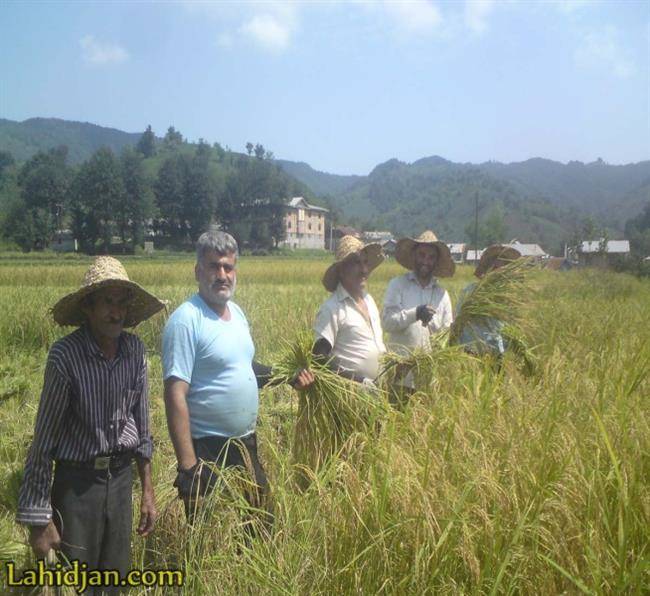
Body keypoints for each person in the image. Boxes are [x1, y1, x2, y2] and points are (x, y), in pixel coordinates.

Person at [17, 256, 165, 585]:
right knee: (74, 581)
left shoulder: (135, 351)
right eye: (107, 303)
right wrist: (40, 519)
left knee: (115, 580)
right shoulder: (65, 357)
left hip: (121, 478)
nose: (116, 313)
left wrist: (148, 493)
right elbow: (43, 442)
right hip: (77, 486)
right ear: (87, 306)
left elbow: (142, 429)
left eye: (122, 303)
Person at [162, 230, 313, 525]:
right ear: (197, 271)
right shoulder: (186, 320)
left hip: (245, 445)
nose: (222, 274)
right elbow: (174, 394)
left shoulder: (237, 314)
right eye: (213, 266)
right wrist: (189, 467)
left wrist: (287, 376)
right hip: (207, 449)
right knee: (210, 537)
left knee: (261, 526)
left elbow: (244, 368)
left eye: (228, 267)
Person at [381, 231, 455, 404]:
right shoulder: (398, 285)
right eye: (421, 255)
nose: (425, 261)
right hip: (399, 376)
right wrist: (415, 313)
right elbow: (387, 323)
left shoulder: (442, 296)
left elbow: (446, 336)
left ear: (436, 261)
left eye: (431, 257)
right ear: (413, 256)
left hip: (428, 380)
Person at [312, 235, 386, 388]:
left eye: (365, 262)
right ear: (341, 269)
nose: (364, 270)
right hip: (350, 395)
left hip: (377, 392)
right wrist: (358, 381)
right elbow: (318, 358)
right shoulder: (332, 308)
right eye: (356, 263)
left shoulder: (369, 300)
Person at [455, 244, 522, 358]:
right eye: (494, 268)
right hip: (471, 353)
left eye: (503, 269)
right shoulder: (470, 291)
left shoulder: (509, 297)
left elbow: (512, 326)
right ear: (487, 269)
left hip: (499, 354)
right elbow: (457, 322)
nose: (498, 272)